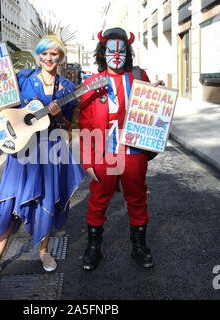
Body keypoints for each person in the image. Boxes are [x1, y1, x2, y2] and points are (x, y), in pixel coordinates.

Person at [0, 30, 84, 285]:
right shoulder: (24, 77)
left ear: (61, 57)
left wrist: (58, 116)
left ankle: (43, 253)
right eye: (44, 54)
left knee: (46, 202)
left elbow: (68, 127)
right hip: (22, 152)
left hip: (50, 151)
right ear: (38, 56)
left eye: (54, 54)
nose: (49, 59)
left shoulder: (68, 88)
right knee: (8, 206)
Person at [79, 27, 165, 271]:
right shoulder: (91, 84)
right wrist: (87, 161)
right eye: (111, 50)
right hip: (103, 154)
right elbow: (85, 124)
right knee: (97, 201)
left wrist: (156, 95)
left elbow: (151, 110)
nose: (116, 55)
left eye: (121, 50)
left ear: (127, 53)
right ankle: (93, 248)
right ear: (102, 53)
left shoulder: (139, 77)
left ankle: (139, 246)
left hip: (134, 153)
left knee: (137, 199)